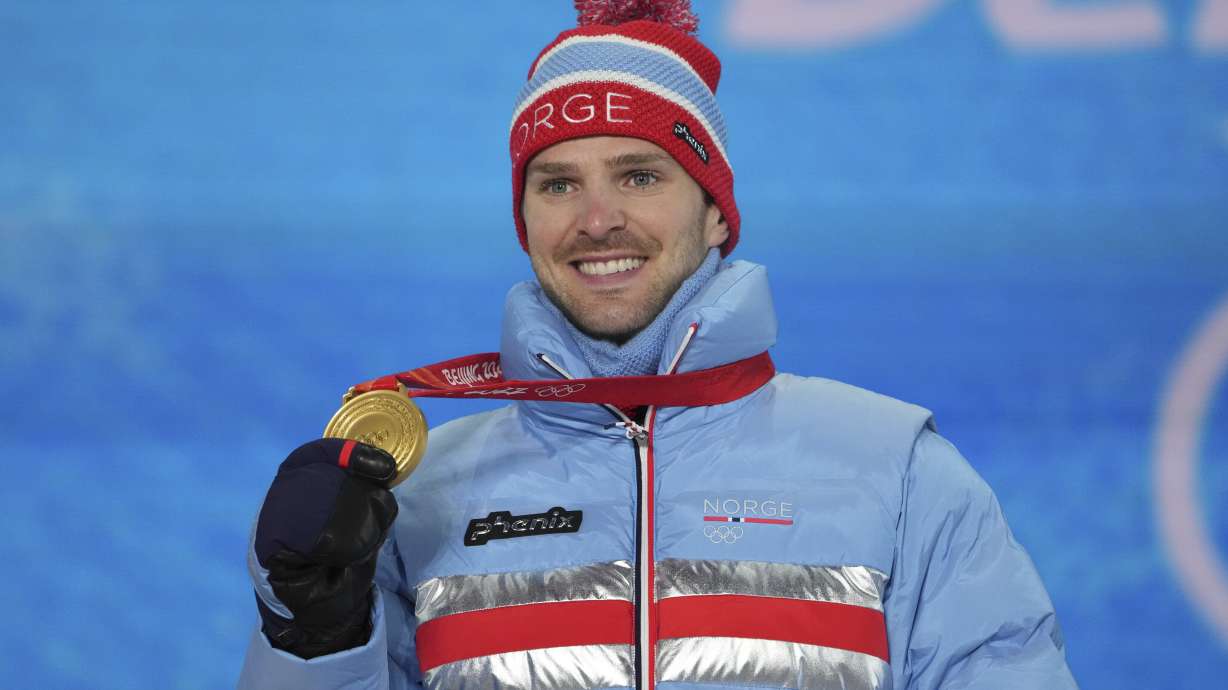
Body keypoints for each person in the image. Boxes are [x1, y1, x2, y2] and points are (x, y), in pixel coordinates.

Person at [238, 2, 1078, 688]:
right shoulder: (422, 496)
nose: (597, 219)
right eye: (558, 184)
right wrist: (311, 640)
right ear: (524, 222)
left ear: (715, 212)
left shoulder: (898, 474)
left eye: (639, 175)